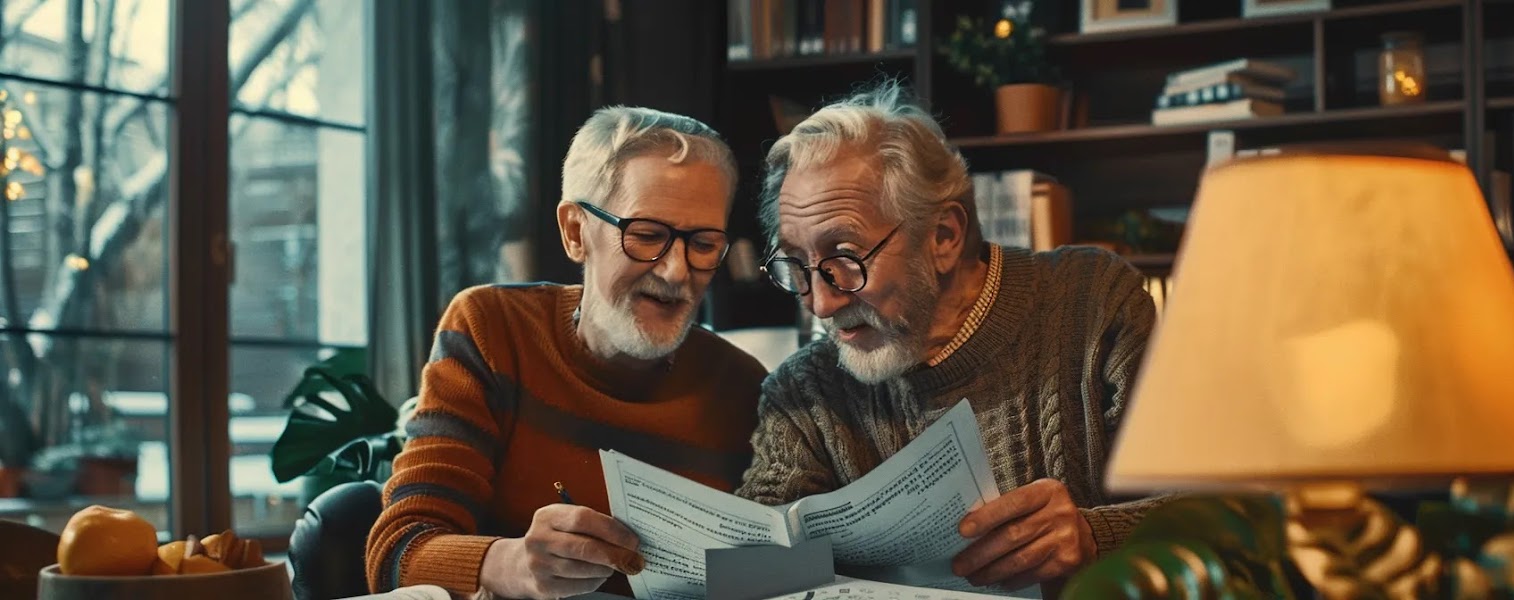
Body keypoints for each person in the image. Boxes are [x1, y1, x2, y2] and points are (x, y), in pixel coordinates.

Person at [736, 82, 1167, 595]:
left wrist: (1095, 537)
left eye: (844, 258)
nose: (820, 304)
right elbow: (754, 552)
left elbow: (1223, 510)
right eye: (796, 265)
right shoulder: (804, 391)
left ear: (943, 237)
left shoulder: (1093, 304)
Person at [367, 107, 768, 599]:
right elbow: (396, 554)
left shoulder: (743, 386)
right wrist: (511, 563)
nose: (677, 272)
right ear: (576, 231)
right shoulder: (493, 330)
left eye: (704, 244)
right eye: (646, 236)